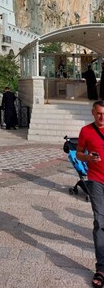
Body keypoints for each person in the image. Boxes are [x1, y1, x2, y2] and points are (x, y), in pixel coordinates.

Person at [77, 100, 104, 288]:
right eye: (99, 113)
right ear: (93, 113)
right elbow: (79, 153)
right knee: (100, 222)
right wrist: (88, 157)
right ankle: (101, 268)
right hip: (96, 181)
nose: (102, 117)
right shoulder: (86, 131)